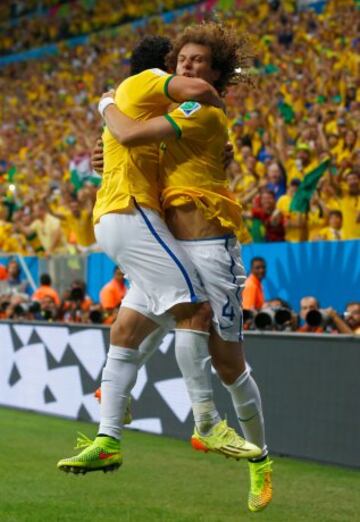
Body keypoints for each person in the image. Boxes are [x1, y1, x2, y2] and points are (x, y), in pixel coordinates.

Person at [58, 34, 261, 483]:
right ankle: (206, 423)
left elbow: (141, 142)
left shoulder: (162, 113)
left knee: (130, 326)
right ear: (164, 72)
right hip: (134, 216)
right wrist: (104, 106)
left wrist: (105, 145)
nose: (185, 71)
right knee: (193, 311)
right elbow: (131, 132)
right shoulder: (141, 92)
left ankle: (109, 427)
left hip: (152, 226)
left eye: (196, 62)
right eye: (180, 63)